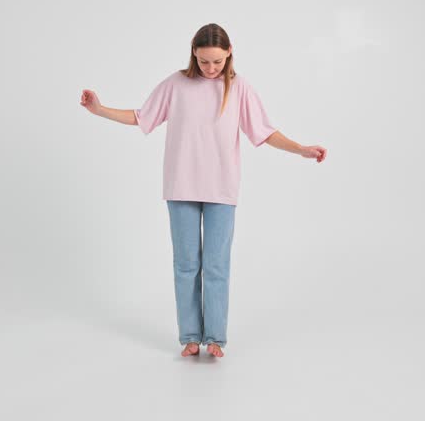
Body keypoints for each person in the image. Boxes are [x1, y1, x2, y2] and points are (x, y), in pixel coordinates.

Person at [79, 23, 327, 358]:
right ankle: (190, 337)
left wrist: (301, 149)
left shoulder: (239, 88)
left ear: (229, 54)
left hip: (221, 189)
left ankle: (215, 339)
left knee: (216, 265)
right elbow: (141, 117)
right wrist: (100, 109)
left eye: (218, 62)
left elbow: (265, 132)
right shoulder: (176, 84)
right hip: (181, 187)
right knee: (186, 264)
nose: (211, 69)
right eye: (205, 61)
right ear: (194, 53)